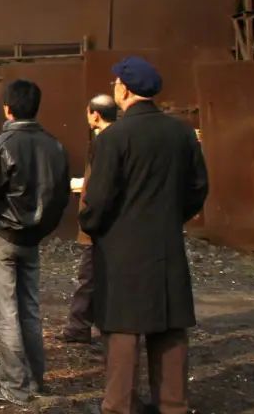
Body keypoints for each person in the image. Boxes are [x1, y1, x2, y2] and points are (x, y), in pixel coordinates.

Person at [80, 56, 208, 414]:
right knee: (169, 325)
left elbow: (99, 199)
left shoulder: (113, 138)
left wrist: (92, 224)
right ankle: (172, 404)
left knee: (122, 327)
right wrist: (173, 216)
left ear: (124, 89)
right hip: (166, 241)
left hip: (121, 247)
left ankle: (119, 405)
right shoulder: (182, 133)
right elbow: (198, 188)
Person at [0, 79, 70, 406]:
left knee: (5, 315)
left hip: (1, 237)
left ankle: (14, 387)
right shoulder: (54, 146)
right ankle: (35, 380)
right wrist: (42, 230)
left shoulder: (2, 144)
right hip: (31, 240)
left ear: (7, 108)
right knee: (29, 310)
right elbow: (60, 196)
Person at [60, 94, 118, 345]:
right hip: (112, 222)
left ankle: (79, 327)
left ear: (95, 114)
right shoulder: (117, 139)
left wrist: (87, 217)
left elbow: (99, 185)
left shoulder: (104, 141)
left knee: (89, 276)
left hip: (97, 221)